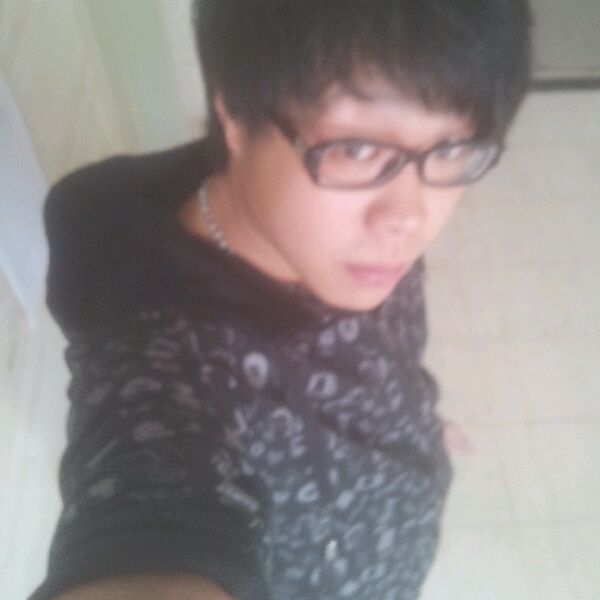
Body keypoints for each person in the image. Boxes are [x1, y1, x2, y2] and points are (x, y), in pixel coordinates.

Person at [29, 1, 531, 599]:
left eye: (450, 149)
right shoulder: (172, 365)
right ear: (235, 118)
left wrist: (408, 415)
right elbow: (149, 521)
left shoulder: (353, 239)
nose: (408, 216)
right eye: (356, 149)